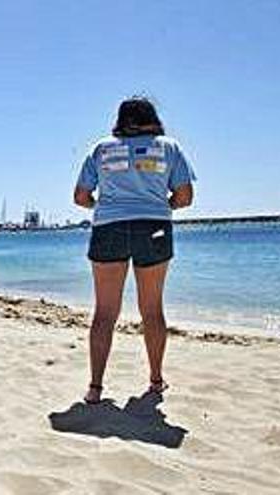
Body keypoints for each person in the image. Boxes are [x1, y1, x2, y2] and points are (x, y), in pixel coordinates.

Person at [73, 97, 195, 404]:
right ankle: (155, 381)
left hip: (109, 227)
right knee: (152, 310)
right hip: (153, 227)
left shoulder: (102, 148)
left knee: (104, 312)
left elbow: (80, 196)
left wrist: (102, 206)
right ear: (153, 117)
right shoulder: (168, 147)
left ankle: (95, 388)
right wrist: (160, 205)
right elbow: (184, 197)